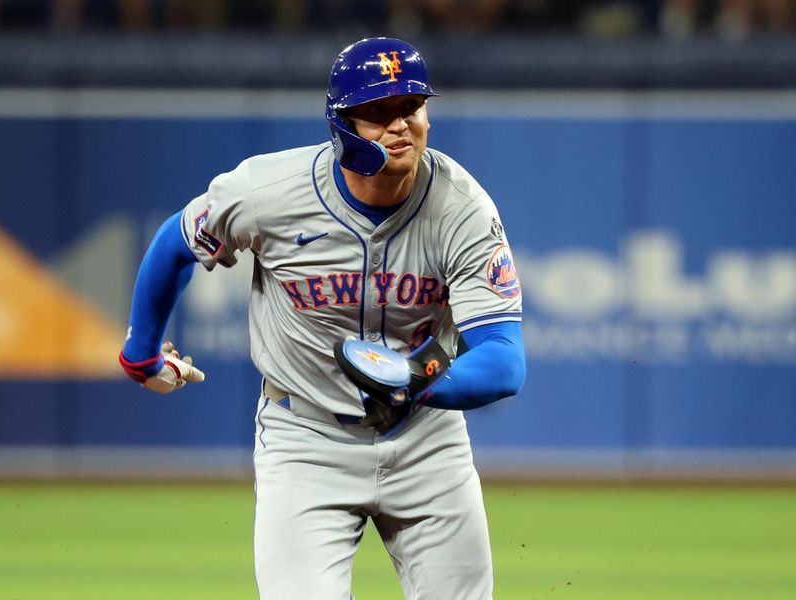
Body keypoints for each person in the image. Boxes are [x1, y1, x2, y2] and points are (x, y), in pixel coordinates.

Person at [119, 37, 526, 600]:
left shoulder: (463, 209)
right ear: (340, 126)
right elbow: (175, 242)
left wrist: (419, 382)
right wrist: (141, 349)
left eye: (411, 107)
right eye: (378, 112)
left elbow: (504, 360)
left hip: (425, 442)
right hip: (305, 437)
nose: (400, 124)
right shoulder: (266, 192)